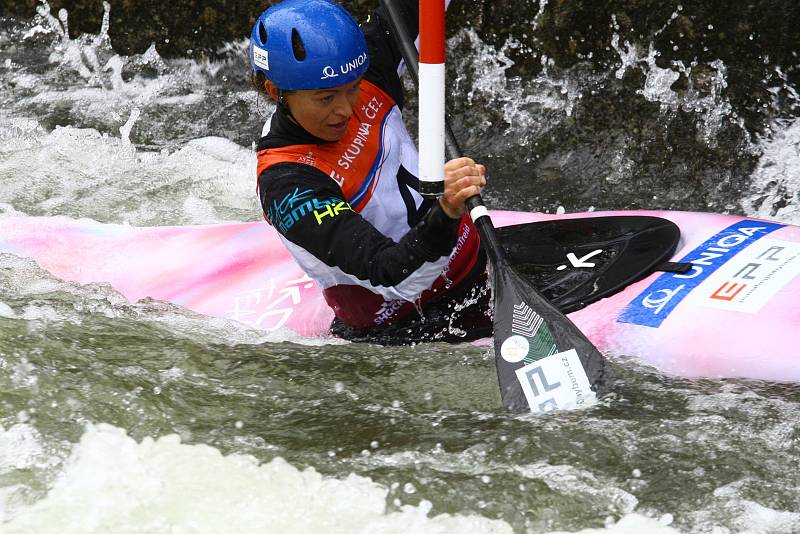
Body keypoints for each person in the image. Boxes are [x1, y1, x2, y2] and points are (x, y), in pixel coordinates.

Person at [251, 0, 491, 344]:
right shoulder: (288, 184)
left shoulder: (361, 71)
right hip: (408, 328)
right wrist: (448, 210)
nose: (346, 109)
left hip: (479, 265)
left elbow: (426, 6)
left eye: (353, 88)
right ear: (277, 91)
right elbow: (391, 276)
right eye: (326, 98)